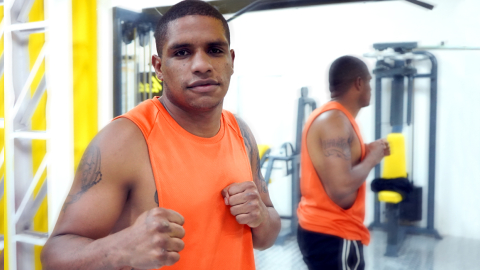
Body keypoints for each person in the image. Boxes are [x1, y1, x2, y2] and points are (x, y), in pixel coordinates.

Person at [41, 1, 281, 269]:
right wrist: (119, 248)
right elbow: (54, 256)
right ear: (158, 67)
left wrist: (260, 216)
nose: (202, 65)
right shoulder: (124, 141)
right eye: (182, 53)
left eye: (214, 50)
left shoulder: (241, 132)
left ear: (231, 60)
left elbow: (266, 237)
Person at [296, 56, 390, 270]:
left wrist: (367, 150)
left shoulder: (336, 118)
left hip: (327, 232)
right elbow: (340, 189)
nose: (370, 88)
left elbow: (340, 162)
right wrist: (373, 158)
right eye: (369, 82)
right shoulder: (334, 121)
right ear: (359, 83)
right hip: (334, 234)